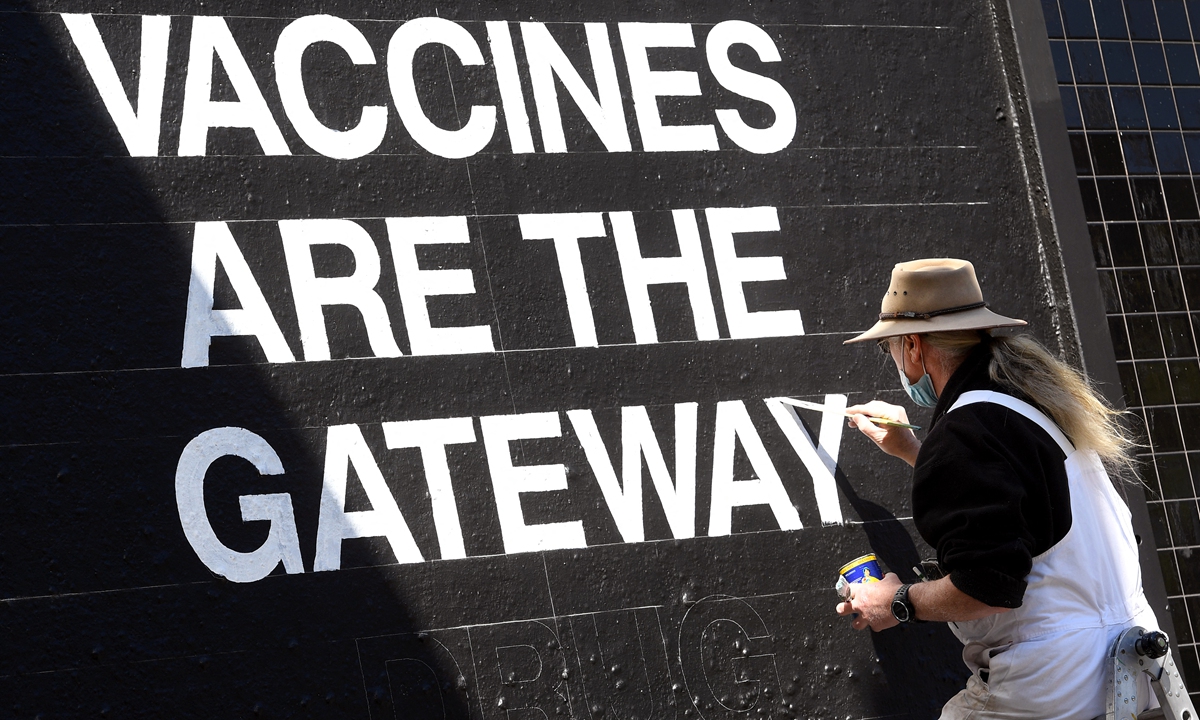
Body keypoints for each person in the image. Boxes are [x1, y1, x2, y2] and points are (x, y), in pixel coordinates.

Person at [836, 258, 1160, 719]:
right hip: (1132, 665)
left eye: (888, 347)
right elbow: (1023, 504)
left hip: (1053, 682)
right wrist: (917, 451)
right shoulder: (1035, 403)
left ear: (912, 346)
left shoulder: (968, 429)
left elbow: (987, 586)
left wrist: (897, 602)